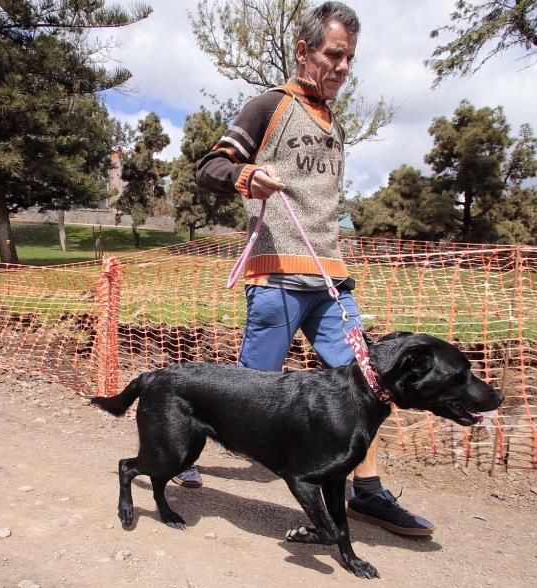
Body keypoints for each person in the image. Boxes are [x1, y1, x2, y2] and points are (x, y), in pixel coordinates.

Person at [176, 1, 433, 537]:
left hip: (331, 281)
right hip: (277, 279)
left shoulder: (336, 124)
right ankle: (181, 450)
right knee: (251, 390)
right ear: (303, 52)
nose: (342, 68)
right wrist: (247, 176)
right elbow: (210, 166)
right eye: (333, 55)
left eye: (349, 59)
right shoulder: (269, 106)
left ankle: (369, 494)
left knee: (369, 380)